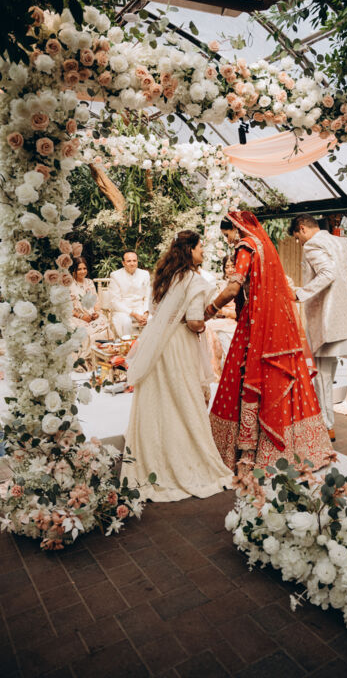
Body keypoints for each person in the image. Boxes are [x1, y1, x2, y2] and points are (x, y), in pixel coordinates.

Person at [206, 211, 334, 475]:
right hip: (276, 325)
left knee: (249, 378)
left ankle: (249, 450)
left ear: (236, 228)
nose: (229, 241)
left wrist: (210, 309)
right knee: (279, 378)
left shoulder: (245, 247)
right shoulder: (265, 246)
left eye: (227, 235)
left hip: (255, 325)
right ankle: (297, 448)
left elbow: (233, 288)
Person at [120, 231, 232, 502]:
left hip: (156, 344)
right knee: (184, 401)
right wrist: (206, 320)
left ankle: (154, 461)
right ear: (190, 250)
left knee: (158, 403)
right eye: (200, 247)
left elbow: (155, 311)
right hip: (179, 345)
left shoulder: (164, 276)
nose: (203, 251)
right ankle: (184, 461)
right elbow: (194, 321)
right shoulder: (194, 280)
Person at [289, 214, 347, 441]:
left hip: (325, 321)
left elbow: (327, 273)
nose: (299, 242)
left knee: (322, 375)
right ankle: (325, 422)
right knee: (327, 373)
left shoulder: (312, 245)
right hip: (344, 321)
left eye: (297, 237)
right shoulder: (343, 242)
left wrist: (300, 294)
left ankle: (326, 425)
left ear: (302, 228)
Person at [70, 257, 110, 370]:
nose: (83, 271)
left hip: (92, 316)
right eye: (79, 269)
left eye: (84, 268)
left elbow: (96, 301)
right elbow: (67, 307)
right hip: (77, 317)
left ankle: (102, 361)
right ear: (73, 270)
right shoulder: (69, 285)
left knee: (104, 326)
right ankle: (86, 363)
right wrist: (82, 316)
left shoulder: (90, 282)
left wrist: (96, 313)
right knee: (86, 333)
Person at [109, 251, 151, 338]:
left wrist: (146, 313)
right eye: (129, 261)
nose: (132, 263)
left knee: (152, 320)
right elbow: (115, 301)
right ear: (123, 263)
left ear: (137, 261)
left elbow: (148, 296)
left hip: (140, 309)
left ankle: (147, 345)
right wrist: (134, 314)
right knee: (126, 321)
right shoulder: (115, 276)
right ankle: (127, 344)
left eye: (134, 261)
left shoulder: (145, 274)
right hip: (123, 311)